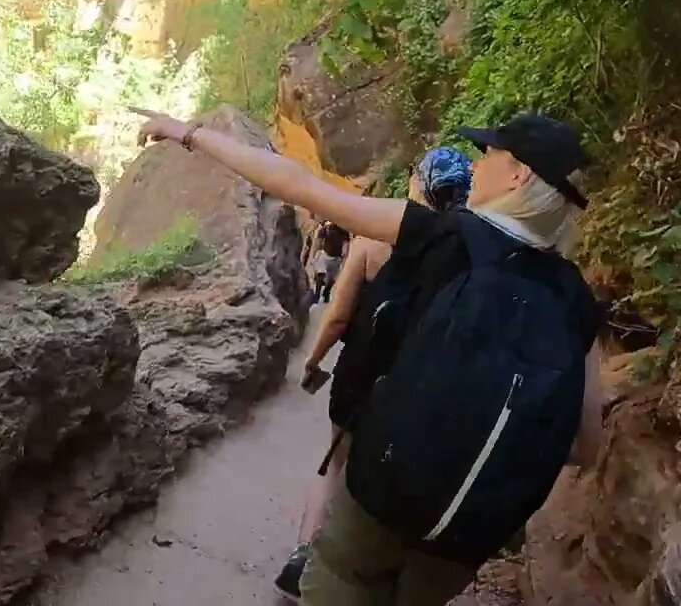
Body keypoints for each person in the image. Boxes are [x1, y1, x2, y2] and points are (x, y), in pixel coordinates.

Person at [131, 108, 606, 606]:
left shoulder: (447, 234)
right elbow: (585, 447)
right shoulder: (577, 302)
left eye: (488, 153)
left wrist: (187, 134)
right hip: (466, 533)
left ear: (519, 174)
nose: (476, 165)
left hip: (386, 491)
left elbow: (302, 187)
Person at [273, 146, 474, 603]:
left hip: (361, 377)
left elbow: (340, 315)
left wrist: (313, 360)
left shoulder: (373, 241)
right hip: (417, 391)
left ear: (418, 184)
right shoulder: (471, 254)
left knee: (335, 465)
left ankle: (305, 555)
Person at [307, 221, 349, 303]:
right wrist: (313, 256)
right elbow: (318, 241)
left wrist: (344, 258)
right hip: (325, 255)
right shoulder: (326, 228)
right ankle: (317, 294)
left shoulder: (344, 231)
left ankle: (327, 292)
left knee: (331, 280)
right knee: (320, 274)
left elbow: (346, 244)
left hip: (336, 258)